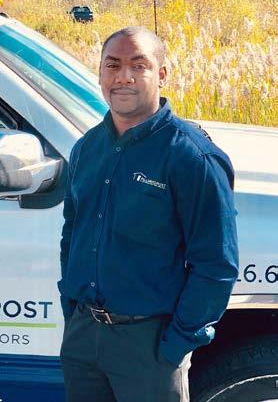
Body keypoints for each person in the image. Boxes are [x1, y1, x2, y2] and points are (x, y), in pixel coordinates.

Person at [58, 26, 239, 402]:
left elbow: (216, 265)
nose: (123, 77)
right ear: (101, 73)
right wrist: (72, 311)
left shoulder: (192, 157)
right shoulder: (86, 148)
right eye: (112, 65)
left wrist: (175, 346)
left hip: (150, 347)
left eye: (138, 65)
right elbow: (71, 234)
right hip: (83, 339)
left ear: (162, 74)